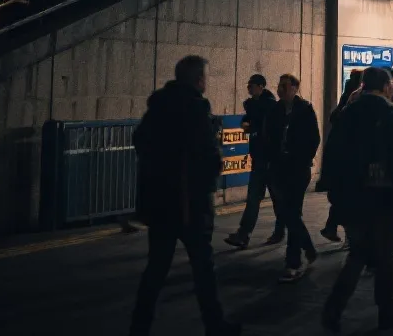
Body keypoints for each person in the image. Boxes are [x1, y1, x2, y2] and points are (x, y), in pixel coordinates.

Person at [130, 56, 240, 336]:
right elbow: (208, 157)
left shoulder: (157, 106)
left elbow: (140, 142)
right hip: (191, 203)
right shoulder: (196, 108)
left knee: (155, 269)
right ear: (198, 80)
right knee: (203, 269)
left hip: (160, 202)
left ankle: (138, 328)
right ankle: (214, 325)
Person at [320, 66, 393, 332]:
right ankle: (388, 311)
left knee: (358, 254)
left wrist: (334, 194)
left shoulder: (347, 114)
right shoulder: (390, 116)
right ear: (385, 87)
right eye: (392, 84)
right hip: (381, 199)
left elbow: (332, 154)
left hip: (351, 198)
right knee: (384, 257)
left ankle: (333, 309)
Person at [261, 73, 321, 283]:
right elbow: (267, 136)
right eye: (279, 86)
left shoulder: (305, 109)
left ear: (295, 88)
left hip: (298, 168)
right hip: (278, 168)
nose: (280, 89)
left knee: (292, 212)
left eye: (285, 86)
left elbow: (314, 138)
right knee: (286, 213)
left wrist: (303, 158)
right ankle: (309, 248)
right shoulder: (275, 110)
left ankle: (293, 262)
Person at [225, 75, 284, 249]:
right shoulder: (254, 105)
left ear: (260, 87)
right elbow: (248, 121)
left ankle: (280, 231)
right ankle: (244, 234)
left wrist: (250, 122)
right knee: (254, 199)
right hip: (259, 159)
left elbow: (264, 127)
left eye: (251, 86)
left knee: (277, 199)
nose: (249, 89)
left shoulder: (270, 106)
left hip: (270, 161)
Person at [321, 69, 364, 242]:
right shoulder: (356, 100)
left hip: (339, 156)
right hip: (350, 159)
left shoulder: (345, 99)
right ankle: (348, 236)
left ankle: (334, 229)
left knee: (343, 197)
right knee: (349, 198)